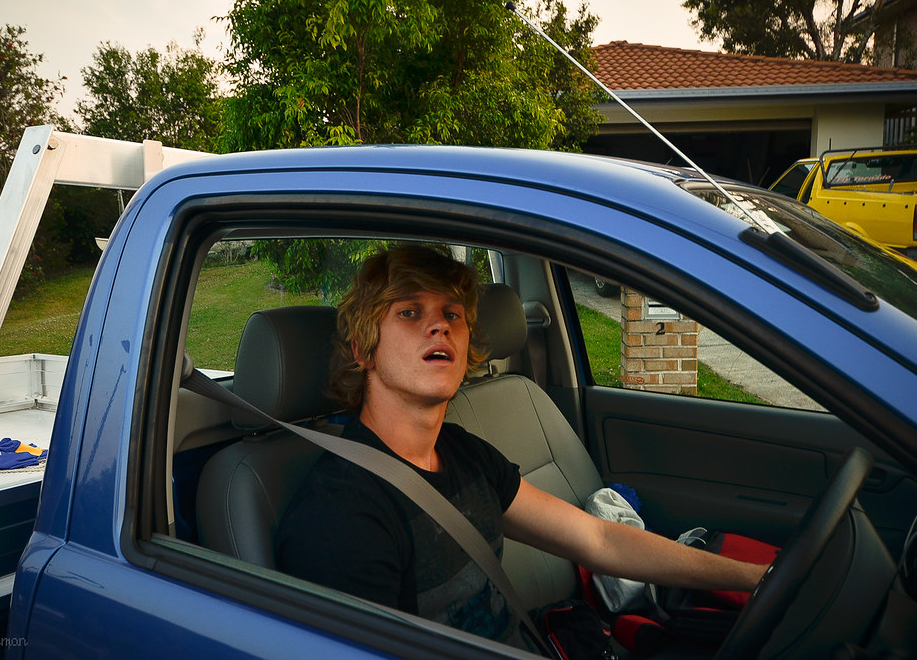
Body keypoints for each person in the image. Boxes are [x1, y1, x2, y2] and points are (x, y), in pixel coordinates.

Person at [275, 244, 766, 651]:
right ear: (363, 350)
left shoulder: (462, 453)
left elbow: (598, 540)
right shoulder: (339, 514)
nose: (440, 326)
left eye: (452, 314)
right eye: (409, 312)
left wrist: (751, 577)